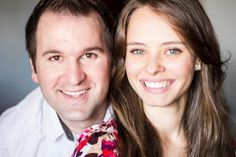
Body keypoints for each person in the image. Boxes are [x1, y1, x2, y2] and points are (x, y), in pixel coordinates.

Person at [111, 0, 235, 156]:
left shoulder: (227, 150)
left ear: (198, 59)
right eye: (138, 51)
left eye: (172, 50)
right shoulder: (99, 145)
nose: (153, 68)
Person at [0, 0, 118, 156]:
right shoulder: (8, 141)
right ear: (34, 68)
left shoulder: (152, 115)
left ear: (113, 62)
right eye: (56, 58)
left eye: (89, 55)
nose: (74, 78)